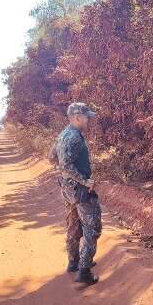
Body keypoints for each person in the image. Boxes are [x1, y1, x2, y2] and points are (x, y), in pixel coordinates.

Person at [50, 102, 102, 285]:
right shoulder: (75, 138)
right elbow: (65, 164)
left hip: (67, 188)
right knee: (92, 227)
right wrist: (84, 180)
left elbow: (52, 157)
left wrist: (67, 178)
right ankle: (84, 270)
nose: (89, 119)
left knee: (73, 224)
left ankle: (73, 262)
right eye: (87, 116)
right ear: (77, 117)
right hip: (79, 190)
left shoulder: (63, 134)